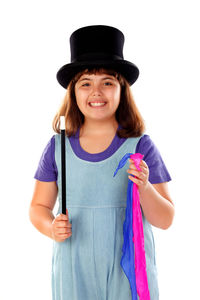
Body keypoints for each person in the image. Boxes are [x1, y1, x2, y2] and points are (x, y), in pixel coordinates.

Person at [29, 25, 175, 300]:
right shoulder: (57, 147)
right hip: (73, 267)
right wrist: (50, 227)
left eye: (107, 82)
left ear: (122, 90)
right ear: (73, 92)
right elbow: (38, 206)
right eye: (86, 83)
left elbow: (165, 219)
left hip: (127, 268)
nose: (96, 92)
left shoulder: (140, 146)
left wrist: (145, 187)